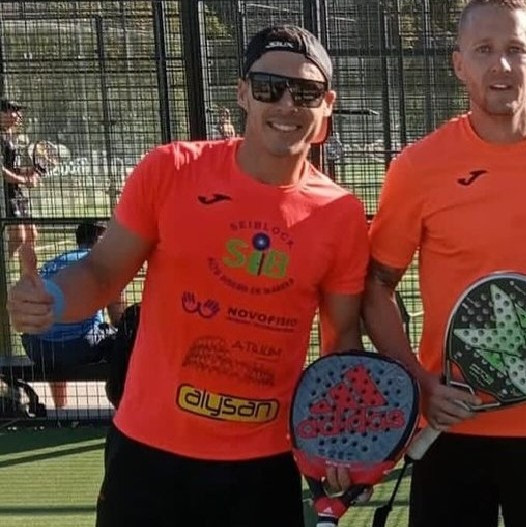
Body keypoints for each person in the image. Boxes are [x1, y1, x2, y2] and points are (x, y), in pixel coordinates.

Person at [7, 25, 370, 527]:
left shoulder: (341, 214)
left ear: (327, 104)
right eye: (269, 87)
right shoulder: (171, 170)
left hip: (263, 467)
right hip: (149, 457)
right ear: (243, 93)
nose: (287, 104)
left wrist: (339, 441)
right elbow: (103, 271)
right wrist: (50, 296)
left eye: (305, 92)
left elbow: (342, 341)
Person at [362, 1, 526, 526]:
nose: (502, 65)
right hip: (453, 433)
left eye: (516, 49)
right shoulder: (420, 167)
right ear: (459, 64)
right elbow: (376, 287)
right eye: (485, 50)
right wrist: (421, 384)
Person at [21, 221, 126, 408]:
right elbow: (119, 319)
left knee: (54, 330)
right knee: (123, 339)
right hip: (79, 346)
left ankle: (61, 409)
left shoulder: (54, 262)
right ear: (100, 240)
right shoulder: (103, 264)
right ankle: (123, 406)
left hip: (38, 348)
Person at [0, 99, 39, 259]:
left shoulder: (10, 136)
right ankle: (6, 268)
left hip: (15, 192)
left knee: (31, 235)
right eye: (14, 111)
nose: (18, 115)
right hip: (4, 194)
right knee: (18, 238)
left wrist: (30, 172)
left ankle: (27, 273)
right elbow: (2, 172)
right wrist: (24, 180)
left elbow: (11, 167)